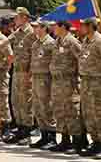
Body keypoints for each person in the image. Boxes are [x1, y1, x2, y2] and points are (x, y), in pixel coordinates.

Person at [78, 17, 101, 159]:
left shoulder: (100, 41)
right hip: (86, 83)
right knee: (88, 114)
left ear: (91, 26)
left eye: (83, 26)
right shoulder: (86, 41)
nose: (80, 28)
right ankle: (95, 142)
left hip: (98, 83)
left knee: (100, 114)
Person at [49, 20, 84, 154]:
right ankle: (64, 140)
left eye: (55, 26)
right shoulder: (57, 41)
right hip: (57, 83)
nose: (53, 28)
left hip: (69, 82)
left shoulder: (72, 42)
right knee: (59, 111)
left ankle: (77, 143)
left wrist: (77, 77)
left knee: (72, 112)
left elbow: (81, 59)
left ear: (63, 27)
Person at [3, 7, 35, 145]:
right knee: (16, 101)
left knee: (26, 102)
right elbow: (3, 43)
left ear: (25, 18)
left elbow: (36, 55)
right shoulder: (17, 33)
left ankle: (27, 132)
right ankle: (20, 129)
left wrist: (31, 73)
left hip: (27, 73)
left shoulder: (32, 33)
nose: (14, 20)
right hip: (17, 71)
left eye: (17, 17)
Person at [29, 20, 57, 150]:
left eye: (38, 27)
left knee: (47, 106)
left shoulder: (51, 43)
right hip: (35, 77)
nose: (35, 29)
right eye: (34, 27)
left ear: (45, 28)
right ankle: (44, 135)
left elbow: (55, 61)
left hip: (46, 78)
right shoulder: (35, 44)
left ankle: (51, 137)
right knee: (37, 107)